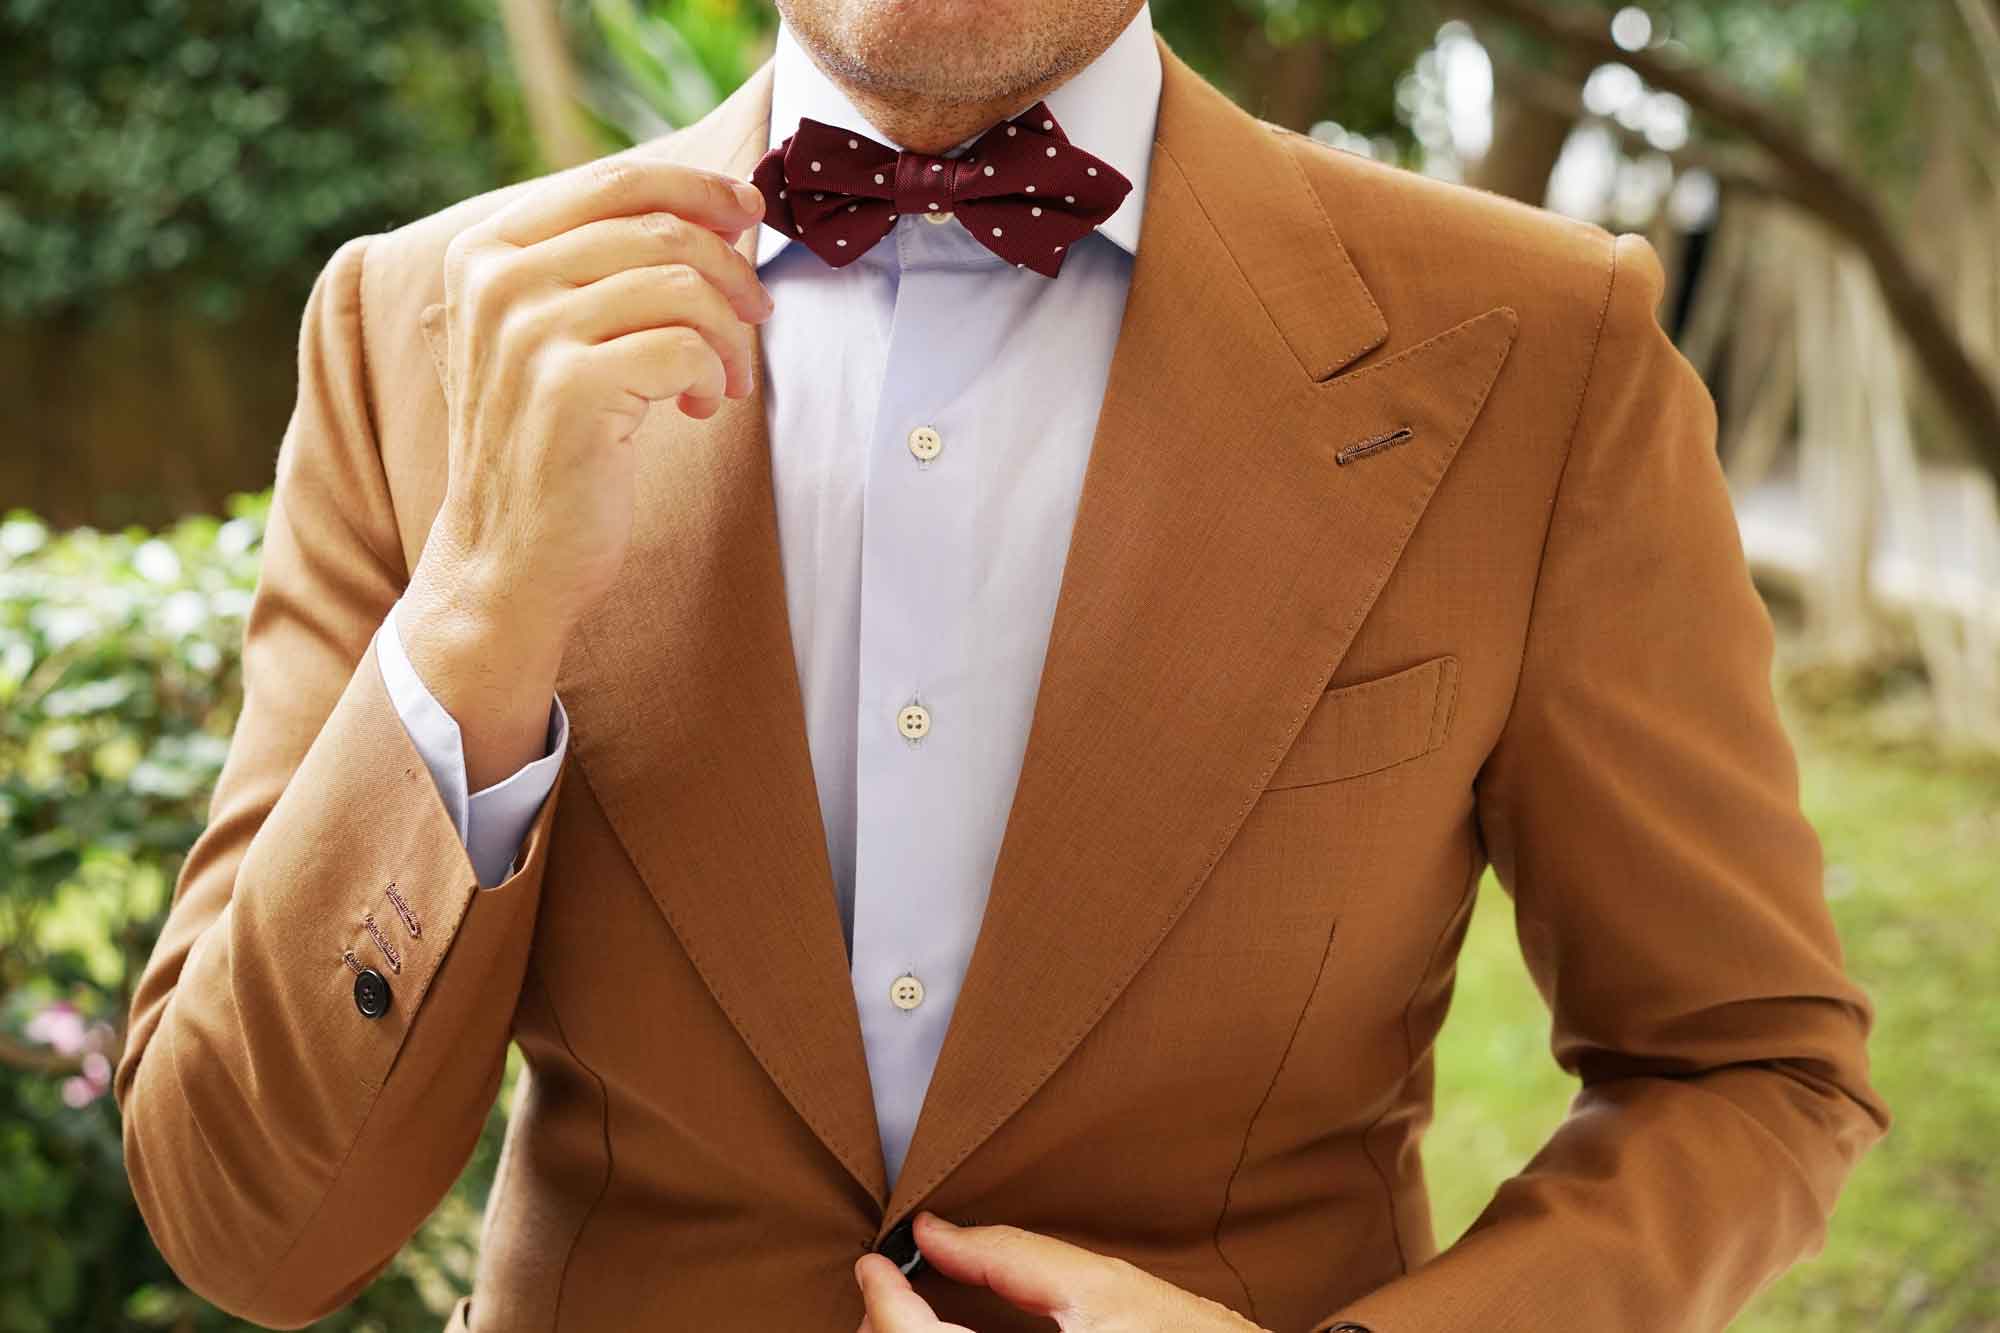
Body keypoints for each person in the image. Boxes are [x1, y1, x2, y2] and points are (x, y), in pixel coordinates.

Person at [114, 1, 1890, 1329]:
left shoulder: (1542, 351)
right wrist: (481, 611)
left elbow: (1752, 1073)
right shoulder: (412, 331)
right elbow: (245, 1220)